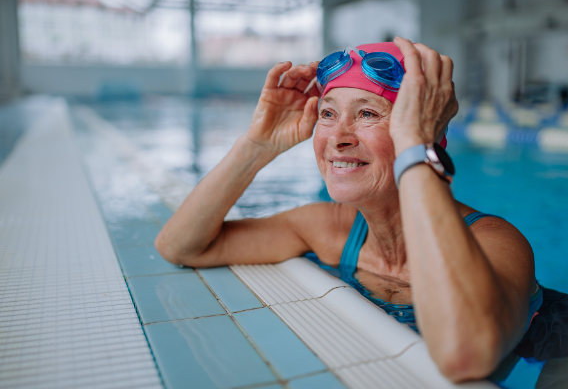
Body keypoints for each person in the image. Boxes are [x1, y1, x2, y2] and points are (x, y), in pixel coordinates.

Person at [155, 37, 540, 382]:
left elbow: (465, 356)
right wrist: (258, 146)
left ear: (424, 134)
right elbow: (183, 246)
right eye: (328, 113)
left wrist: (416, 148)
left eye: (368, 114)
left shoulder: (494, 242)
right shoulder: (330, 228)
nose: (338, 138)